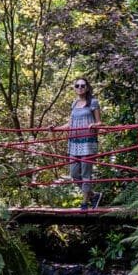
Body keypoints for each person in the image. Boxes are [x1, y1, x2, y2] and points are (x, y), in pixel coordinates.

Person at [52, 78, 102, 211]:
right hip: (74, 142)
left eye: (83, 85)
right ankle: (93, 195)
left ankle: (85, 203)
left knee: (86, 173)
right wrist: (55, 128)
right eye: (77, 85)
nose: (80, 87)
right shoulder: (74, 104)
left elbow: (99, 123)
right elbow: (70, 124)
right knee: (74, 174)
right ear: (74, 88)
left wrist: (94, 125)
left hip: (88, 142)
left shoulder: (93, 102)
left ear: (87, 87)